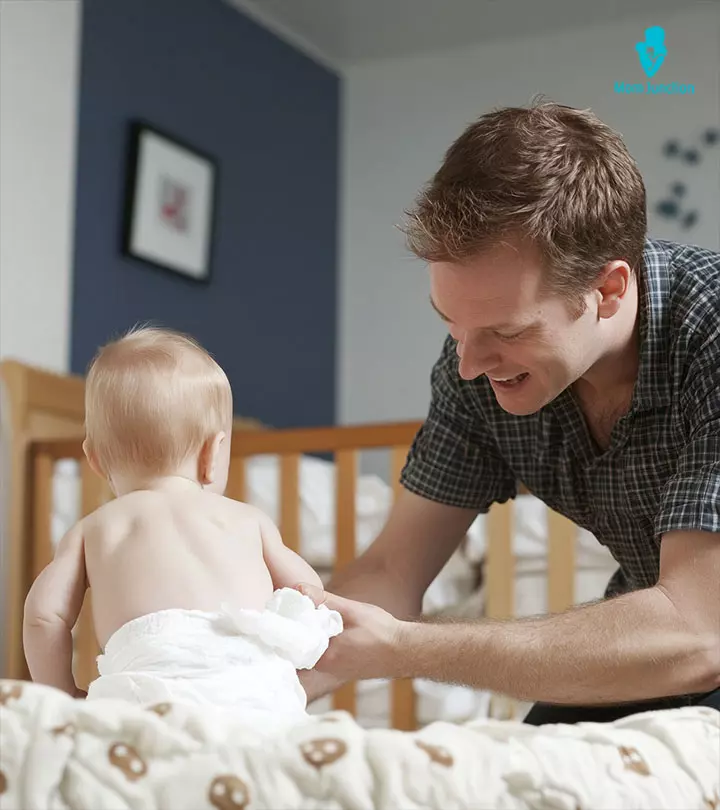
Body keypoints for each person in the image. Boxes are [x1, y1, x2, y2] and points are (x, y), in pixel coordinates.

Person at [299, 100, 720, 725]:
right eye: (452, 325)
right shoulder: (473, 367)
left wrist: (404, 647)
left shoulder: (709, 334)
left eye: (507, 330)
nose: (469, 364)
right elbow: (391, 569)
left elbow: (697, 629)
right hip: (668, 640)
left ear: (607, 291)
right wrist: (249, 680)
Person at [22, 326, 341, 721]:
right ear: (213, 452)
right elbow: (309, 592)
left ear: (95, 459)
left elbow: (43, 617)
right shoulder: (249, 521)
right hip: (252, 697)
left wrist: (63, 697)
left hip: (144, 696)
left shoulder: (94, 528)